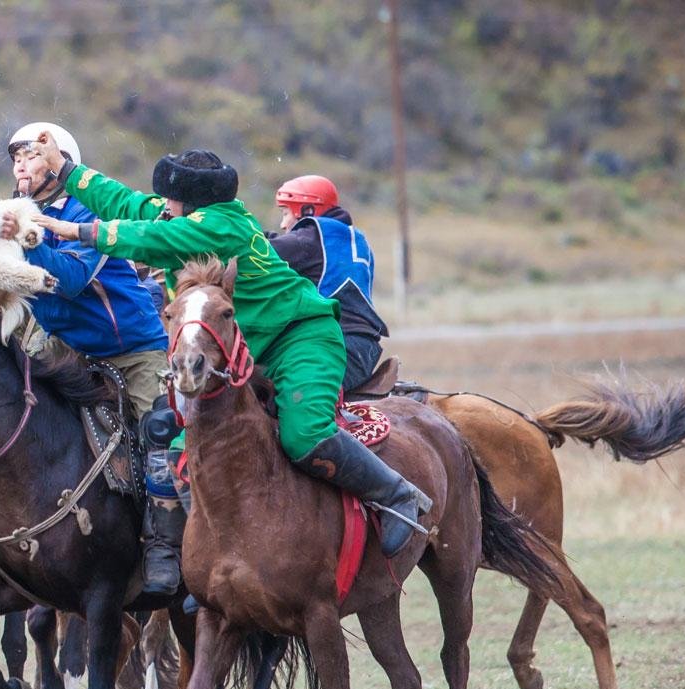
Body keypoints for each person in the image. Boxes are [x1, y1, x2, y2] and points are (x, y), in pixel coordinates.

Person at [29, 136, 431, 582]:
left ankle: (399, 495)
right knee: (180, 443)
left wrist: (74, 231)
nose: (162, 203)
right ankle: (186, 555)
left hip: (301, 338)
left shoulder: (220, 226)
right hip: (243, 348)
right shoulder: (182, 218)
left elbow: (147, 236)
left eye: (169, 197)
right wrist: (64, 169)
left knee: (304, 434)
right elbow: (124, 202)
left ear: (188, 201)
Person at [0, 126, 179, 580]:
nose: (19, 164)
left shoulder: (86, 212)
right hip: (61, 347)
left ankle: (165, 547)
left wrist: (26, 240)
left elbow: (70, 280)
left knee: (161, 439)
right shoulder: (9, 215)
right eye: (16, 156)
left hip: (131, 349)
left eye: (32, 155)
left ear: (58, 164)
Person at [269, 175, 388, 391]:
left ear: (307, 211)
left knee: (290, 395)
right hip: (364, 347)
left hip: (337, 345)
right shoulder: (353, 237)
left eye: (286, 213)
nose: (283, 224)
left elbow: (257, 251)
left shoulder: (310, 238)